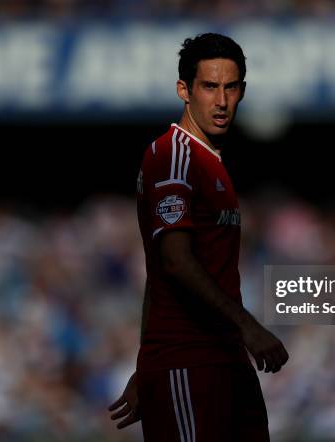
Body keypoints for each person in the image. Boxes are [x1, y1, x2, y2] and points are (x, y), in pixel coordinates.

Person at [108, 32, 289, 442]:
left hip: (223, 360)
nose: (221, 101)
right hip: (188, 363)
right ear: (184, 90)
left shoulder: (213, 163)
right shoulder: (174, 153)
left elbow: (159, 274)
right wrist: (249, 326)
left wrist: (145, 362)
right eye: (209, 87)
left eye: (231, 87)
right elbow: (173, 260)